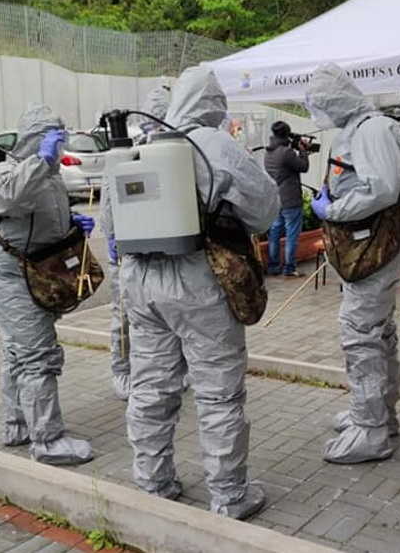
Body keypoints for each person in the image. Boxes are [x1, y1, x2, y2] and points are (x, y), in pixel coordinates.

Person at [110, 66, 279, 519]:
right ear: (213, 105)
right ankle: (229, 495)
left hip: (141, 284)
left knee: (150, 387)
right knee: (217, 392)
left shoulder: (141, 148)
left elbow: (110, 225)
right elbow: (264, 209)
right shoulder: (214, 144)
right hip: (199, 282)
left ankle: (153, 481)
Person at [304, 63, 400, 464]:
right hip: (372, 244)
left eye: (319, 104)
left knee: (361, 334)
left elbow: (380, 190)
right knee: (378, 332)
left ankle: (371, 430)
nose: (318, 112)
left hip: (376, 246)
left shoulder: (371, 130)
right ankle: (378, 413)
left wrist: (333, 210)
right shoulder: (360, 128)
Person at [0, 105, 94, 466]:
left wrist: (71, 224)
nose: (60, 148)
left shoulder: (49, 174)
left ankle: (16, 425)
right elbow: (11, 197)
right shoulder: (9, 171)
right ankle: (48, 440)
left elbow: (40, 214)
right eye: (54, 139)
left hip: (33, 269)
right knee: (37, 356)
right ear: (35, 139)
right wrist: (42, 160)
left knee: (17, 351)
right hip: (11, 274)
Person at [99, 86, 170, 400]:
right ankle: (122, 371)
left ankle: (161, 370)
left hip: (161, 248)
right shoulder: (125, 153)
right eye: (153, 123)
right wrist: (112, 236)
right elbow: (109, 200)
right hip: (129, 250)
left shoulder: (173, 151)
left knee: (161, 314)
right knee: (125, 314)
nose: (155, 130)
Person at [263, 121, 310, 277]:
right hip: (290, 200)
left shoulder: (268, 152)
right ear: (286, 134)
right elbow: (303, 166)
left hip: (276, 199)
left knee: (275, 234)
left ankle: (273, 266)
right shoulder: (286, 153)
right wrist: (303, 151)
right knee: (291, 235)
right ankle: (289, 268)